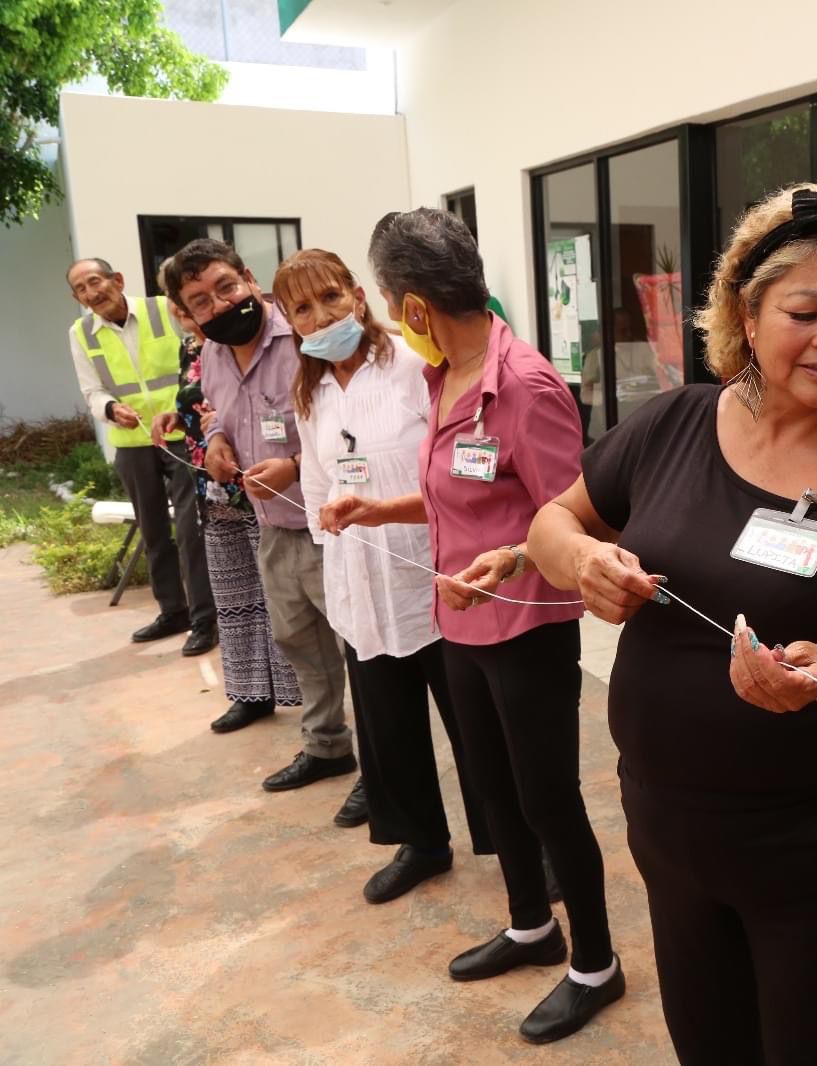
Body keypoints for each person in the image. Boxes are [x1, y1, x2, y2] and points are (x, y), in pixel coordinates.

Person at [524, 182, 817, 1065]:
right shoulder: (675, 423)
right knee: (708, 1042)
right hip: (667, 821)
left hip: (814, 847)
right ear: (745, 307)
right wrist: (582, 563)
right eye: (806, 309)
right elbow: (553, 520)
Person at [320, 208, 619, 1044]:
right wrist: (377, 508)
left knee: (547, 798)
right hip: (458, 622)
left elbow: (578, 515)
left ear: (414, 303)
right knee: (489, 786)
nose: (383, 315)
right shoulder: (439, 375)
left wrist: (517, 561)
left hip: (525, 626)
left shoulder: (520, 385)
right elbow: (462, 492)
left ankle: (595, 963)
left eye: (385, 298)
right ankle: (532, 926)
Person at [273, 247, 492, 900]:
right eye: (304, 308)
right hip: (359, 584)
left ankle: (514, 842)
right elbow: (316, 481)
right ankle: (420, 842)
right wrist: (330, 538)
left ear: (359, 295)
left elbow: (463, 469)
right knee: (387, 729)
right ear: (290, 321)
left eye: (331, 297)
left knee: (475, 724)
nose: (322, 316)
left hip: (436, 573)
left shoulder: (413, 365)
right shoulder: (310, 390)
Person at [163, 240, 361, 814]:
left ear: (248, 278)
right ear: (188, 313)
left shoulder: (305, 339)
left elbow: (350, 425)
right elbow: (222, 413)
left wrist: (297, 466)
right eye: (200, 300)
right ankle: (327, 747)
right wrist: (220, 441)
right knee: (300, 642)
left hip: (336, 525)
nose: (220, 304)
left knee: (362, 653)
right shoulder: (215, 355)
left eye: (226, 286)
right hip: (272, 526)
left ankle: (385, 770)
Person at [149, 271, 303, 733]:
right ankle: (250, 694)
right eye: (190, 303)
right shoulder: (198, 350)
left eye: (220, 292)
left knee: (280, 600)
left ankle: (303, 702)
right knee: (235, 600)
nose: (206, 309)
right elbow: (207, 406)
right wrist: (193, 423)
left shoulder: (275, 339)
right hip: (215, 488)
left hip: (266, 488)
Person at [65, 258, 217, 655]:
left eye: (95, 281)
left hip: (180, 433)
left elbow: (193, 359)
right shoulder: (81, 333)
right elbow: (92, 391)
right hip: (131, 442)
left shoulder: (159, 309)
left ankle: (205, 619)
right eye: (81, 289)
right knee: (153, 531)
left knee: (190, 529)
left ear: (117, 280)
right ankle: (173, 611)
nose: (91, 293)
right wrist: (112, 409)